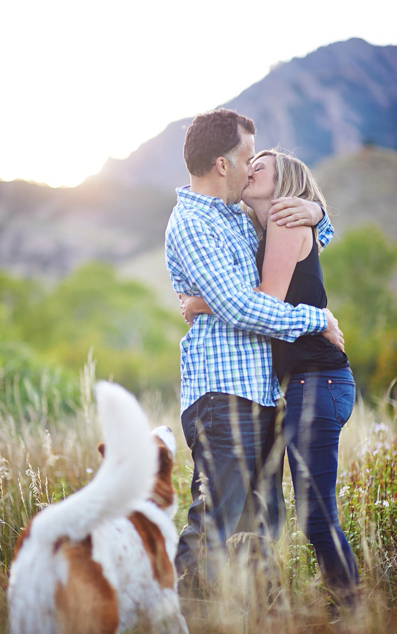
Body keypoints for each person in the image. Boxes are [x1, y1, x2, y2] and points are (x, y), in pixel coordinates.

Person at [164, 108, 344, 599]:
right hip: (222, 395)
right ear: (223, 165)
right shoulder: (193, 224)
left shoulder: (237, 216)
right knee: (215, 523)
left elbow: (299, 242)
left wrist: (317, 213)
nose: (251, 167)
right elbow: (243, 307)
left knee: (261, 531)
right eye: (247, 157)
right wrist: (317, 319)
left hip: (261, 393)